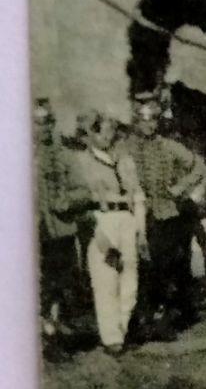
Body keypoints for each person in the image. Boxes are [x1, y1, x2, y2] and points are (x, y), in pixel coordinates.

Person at [126, 91, 206, 336]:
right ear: (135, 121)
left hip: (165, 214)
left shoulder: (168, 146)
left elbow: (200, 167)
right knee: (139, 267)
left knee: (163, 266)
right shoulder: (126, 147)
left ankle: (165, 317)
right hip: (134, 215)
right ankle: (139, 317)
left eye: (152, 120)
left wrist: (180, 188)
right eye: (143, 120)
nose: (149, 125)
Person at [70, 113, 146, 355]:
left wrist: (141, 232)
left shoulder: (125, 161)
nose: (107, 136)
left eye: (111, 131)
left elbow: (138, 196)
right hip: (101, 220)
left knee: (130, 281)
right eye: (102, 131)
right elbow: (78, 202)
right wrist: (98, 234)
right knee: (106, 280)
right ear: (90, 134)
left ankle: (121, 328)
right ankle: (112, 338)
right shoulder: (81, 162)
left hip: (127, 219)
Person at [36, 100, 89, 348]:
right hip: (33, 232)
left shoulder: (65, 155)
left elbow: (84, 191)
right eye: (36, 122)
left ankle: (55, 330)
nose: (41, 128)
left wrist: (68, 201)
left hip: (61, 230)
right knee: (38, 283)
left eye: (46, 122)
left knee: (61, 280)